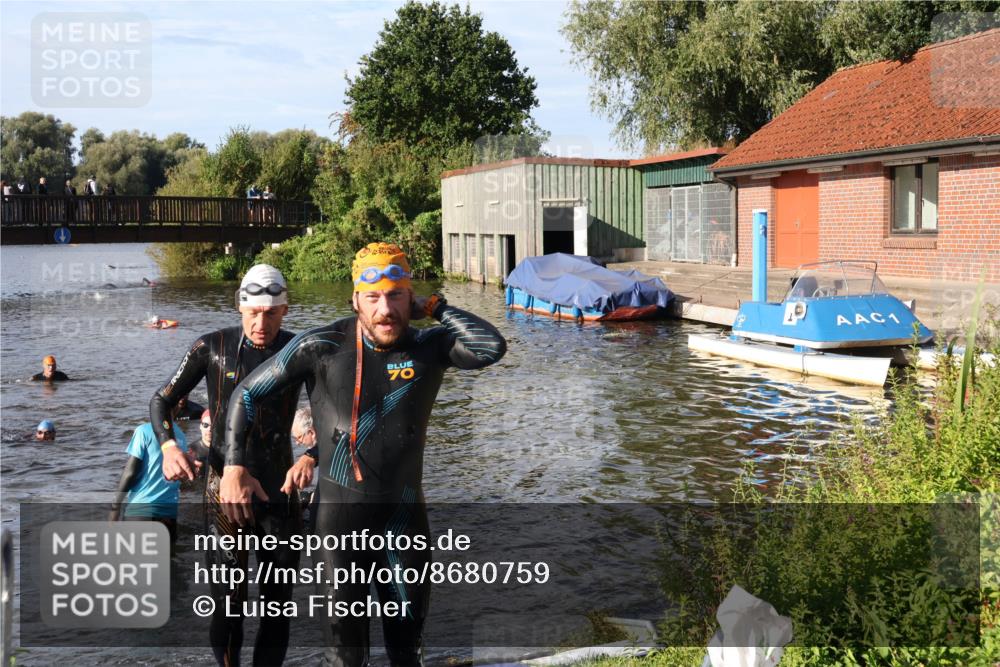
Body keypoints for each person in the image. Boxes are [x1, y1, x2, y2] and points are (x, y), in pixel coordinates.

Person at [222, 242, 507, 667]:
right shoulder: (321, 346)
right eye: (373, 297)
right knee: (345, 654)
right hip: (339, 523)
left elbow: (490, 347)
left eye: (396, 295)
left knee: (406, 649)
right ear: (355, 298)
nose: (385, 309)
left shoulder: (429, 347)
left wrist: (438, 306)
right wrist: (233, 467)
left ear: (411, 299)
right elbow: (246, 393)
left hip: (404, 521)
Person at [152, 263, 303, 667]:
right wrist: (169, 446)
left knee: (277, 605)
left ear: (285, 310)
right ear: (240, 307)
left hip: (279, 490)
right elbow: (161, 401)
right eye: (253, 313)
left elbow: (338, 412)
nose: (261, 323)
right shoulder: (212, 346)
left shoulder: (299, 350)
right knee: (227, 602)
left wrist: (314, 454)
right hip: (224, 491)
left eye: (271, 314)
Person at [109, 404, 193, 543]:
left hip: (141, 511)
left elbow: (129, 472)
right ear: (177, 410)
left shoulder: (144, 431)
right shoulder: (181, 437)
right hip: (169, 515)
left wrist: (115, 507)